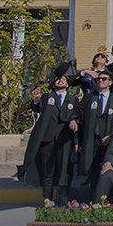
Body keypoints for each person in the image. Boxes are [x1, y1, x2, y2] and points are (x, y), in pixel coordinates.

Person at [19, 63, 80, 204]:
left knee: (64, 169)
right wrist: (35, 101)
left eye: (63, 79)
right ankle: (47, 198)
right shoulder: (47, 97)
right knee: (48, 169)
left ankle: (63, 197)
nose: (60, 80)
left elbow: (77, 117)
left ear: (68, 84)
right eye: (57, 79)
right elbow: (38, 108)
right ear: (53, 83)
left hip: (65, 140)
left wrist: (76, 140)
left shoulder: (73, 100)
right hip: (48, 139)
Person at [77, 70, 113, 193]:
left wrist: (111, 136)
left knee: (108, 171)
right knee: (93, 171)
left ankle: (110, 199)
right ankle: (94, 198)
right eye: (98, 79)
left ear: (110, 82)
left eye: (104, 79)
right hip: (92, 140)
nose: (100, 81)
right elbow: (78, 114)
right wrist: (73, 120)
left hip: (109, 141)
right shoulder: (89, 98)